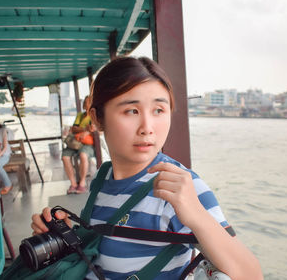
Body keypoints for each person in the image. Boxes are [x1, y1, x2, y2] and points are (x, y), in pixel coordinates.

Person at [31, 57, 262, 279]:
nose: (147, 128)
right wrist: (65, 235)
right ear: (97, 119)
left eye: (159, 110)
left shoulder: (181, 185)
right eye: (132, 111)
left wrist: (195, 213)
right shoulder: (103, 178)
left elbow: (251, 275)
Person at [62, 96, 96, 194]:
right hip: (74, 143)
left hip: (87, 144)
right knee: (65, 157)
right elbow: (73, 129)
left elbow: (94, 128)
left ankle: (82, 184)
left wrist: (83, 130)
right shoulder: (80, 115)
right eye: (84, 102)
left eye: (87, 102)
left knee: (83, 155)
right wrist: (85, 129)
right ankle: (73, 184)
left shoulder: (94, 116)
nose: (85, 104)